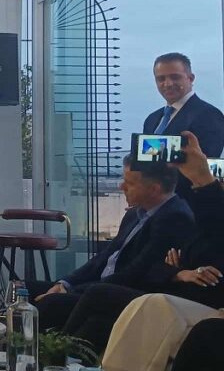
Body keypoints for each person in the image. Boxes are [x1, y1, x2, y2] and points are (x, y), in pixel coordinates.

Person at [60, 130, 224, 351]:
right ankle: (50, 357)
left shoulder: (177, 217)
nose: (121, 187)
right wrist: (178, 272)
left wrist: (180, 271)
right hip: (173, 294)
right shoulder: (197, 223)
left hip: (188, 301)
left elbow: (148, 270)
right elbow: (164, 264)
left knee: (94, 296)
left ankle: (53, 353)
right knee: (92, 321)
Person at [30, 156, 195, 332]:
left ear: (154, 189)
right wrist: (66, 283)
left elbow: (136, 272)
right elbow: (104, 257)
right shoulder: (135, 213)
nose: (121, 187)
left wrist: (73, 291)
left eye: (129, 183)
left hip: (116, 294)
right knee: (23, 288)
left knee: (49, 304)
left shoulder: (174, 218)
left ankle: (33, 346)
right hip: (96, 286)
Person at [143, 52, 224, 203]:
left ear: (190, 78)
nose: (167, 84)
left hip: (189, 207)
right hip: (155, 207)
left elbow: (205, 168)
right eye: (161, 79)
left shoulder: (209, 115)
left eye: (175, 77)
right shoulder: (152, 120)